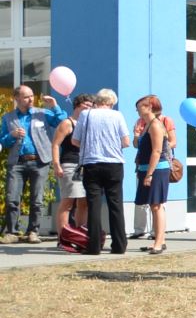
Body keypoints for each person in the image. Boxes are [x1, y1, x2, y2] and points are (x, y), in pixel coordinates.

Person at [3, 84, 66, 243]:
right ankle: (12, 232)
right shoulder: (8, 117)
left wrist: (55, 105)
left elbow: (62, 122)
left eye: (32, 95)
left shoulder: (42, 113)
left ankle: (33, 232)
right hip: (17, 162)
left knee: (37, 200)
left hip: (39, 161)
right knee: (12, 198)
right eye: (26, 96)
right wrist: (12, 135)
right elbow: (2, 140)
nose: (31, 99)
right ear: (16, 98)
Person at [71, 91, 131, 255]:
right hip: (114, 164)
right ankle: (119, 245)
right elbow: (126, 142)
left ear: (98, 100)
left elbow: (75, 140)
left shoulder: (86, 115)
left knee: (94, 205)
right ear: (111, 102)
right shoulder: (117, 115)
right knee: (115, 205)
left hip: (92, 163)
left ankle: (94, 246)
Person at [130, 96, 175, 255]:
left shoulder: (155, 125)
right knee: (153, 205)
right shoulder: (146, 125)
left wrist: (149, 174)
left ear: (149, 107)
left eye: (139, 106)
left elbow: (157, 151)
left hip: (157, 170)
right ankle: (159, 241)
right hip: (146, 169)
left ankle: (158, 242)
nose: (137, 110)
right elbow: (140, 147)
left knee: (157, 205)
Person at [50, 93, 94, 239]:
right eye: (85, 105)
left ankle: (80, 234)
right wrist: (56, 164)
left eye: (91, 106)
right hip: (70, 164)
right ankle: (63, 237)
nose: (88, 107)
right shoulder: (67, 123)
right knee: (68, 201)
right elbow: (56, 144)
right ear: (77, 105)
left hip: (85, 164)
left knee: (84, 202)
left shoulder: (88, 124)